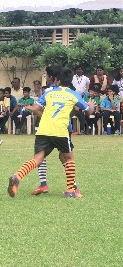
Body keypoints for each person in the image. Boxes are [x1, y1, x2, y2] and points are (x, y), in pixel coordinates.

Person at [8, 66, 88, 199]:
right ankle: (71, 189)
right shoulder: (73, 93)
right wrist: (89, 105)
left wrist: (33, 109)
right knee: (68, 158)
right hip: (61, 130)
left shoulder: (48, 92)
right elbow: (85, 109)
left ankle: (18, 176)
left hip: (43, 129)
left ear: (56, 80)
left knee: (38, 159)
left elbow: (36, 108)